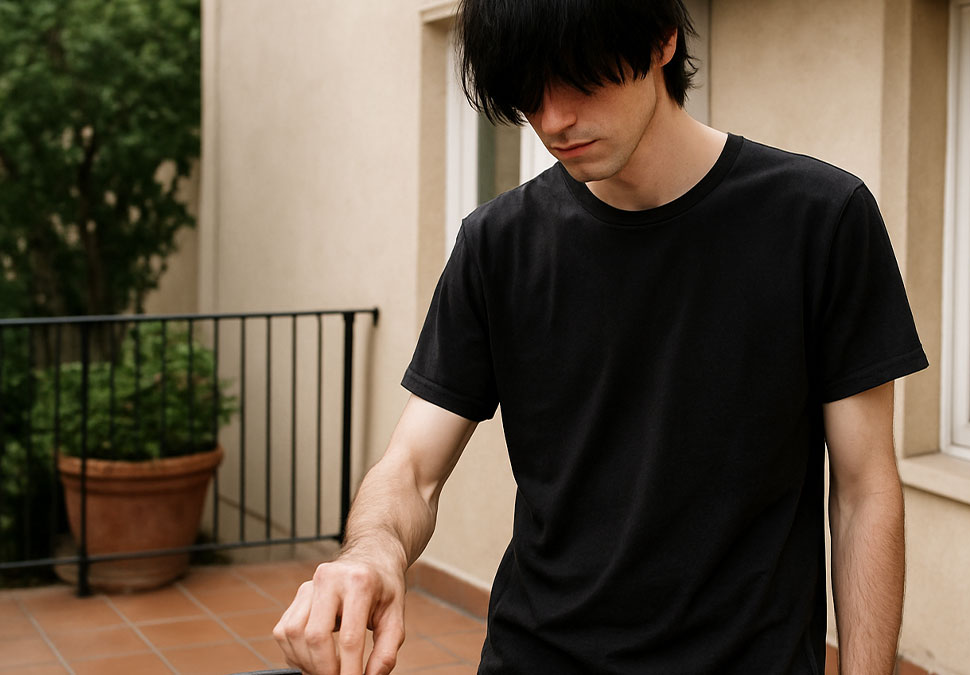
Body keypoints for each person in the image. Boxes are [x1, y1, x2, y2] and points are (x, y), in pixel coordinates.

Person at [273, 1, 928, 673]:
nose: (554, 119)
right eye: (530, 92)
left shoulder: (821, 221)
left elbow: (863, 489)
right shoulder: (497, 245)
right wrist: (370, 552)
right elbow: (411, 470)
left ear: (662, 40)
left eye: (580, 80)